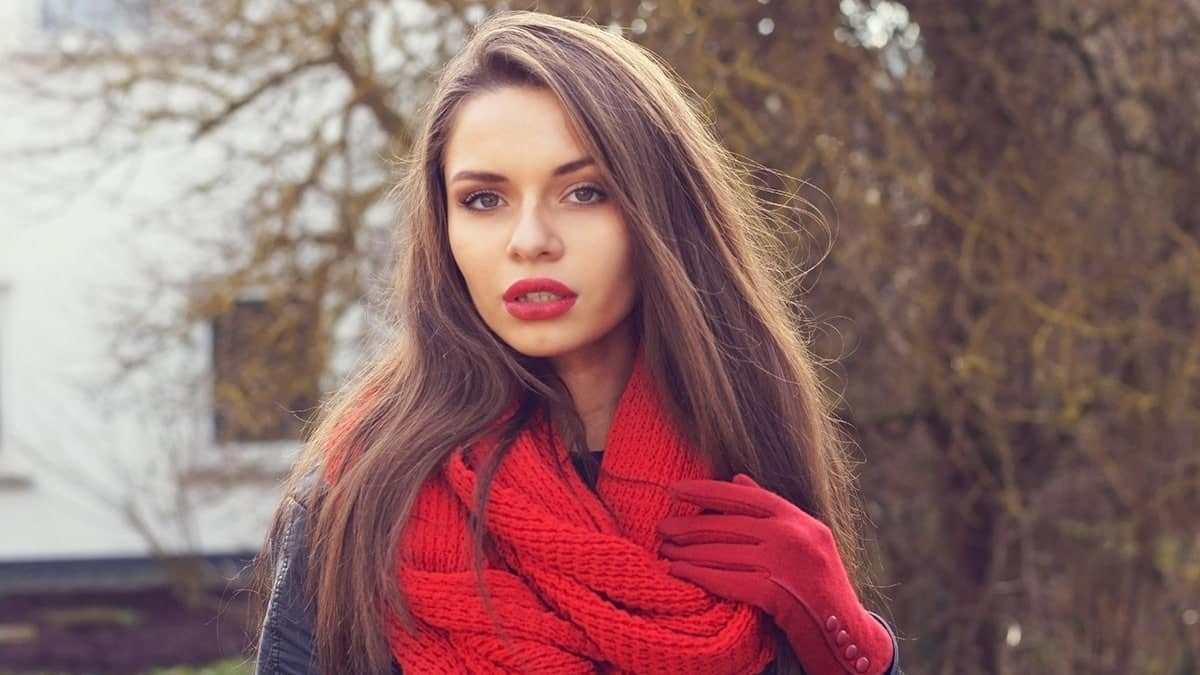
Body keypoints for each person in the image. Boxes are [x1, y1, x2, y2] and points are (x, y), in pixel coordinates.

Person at [254, 10, 901, 675]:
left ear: (659, 213)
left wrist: (845, 636)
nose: (530, 238)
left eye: (584, 191)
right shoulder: (366, 492)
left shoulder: (744, 459)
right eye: (483, 199)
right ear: (443, 227)